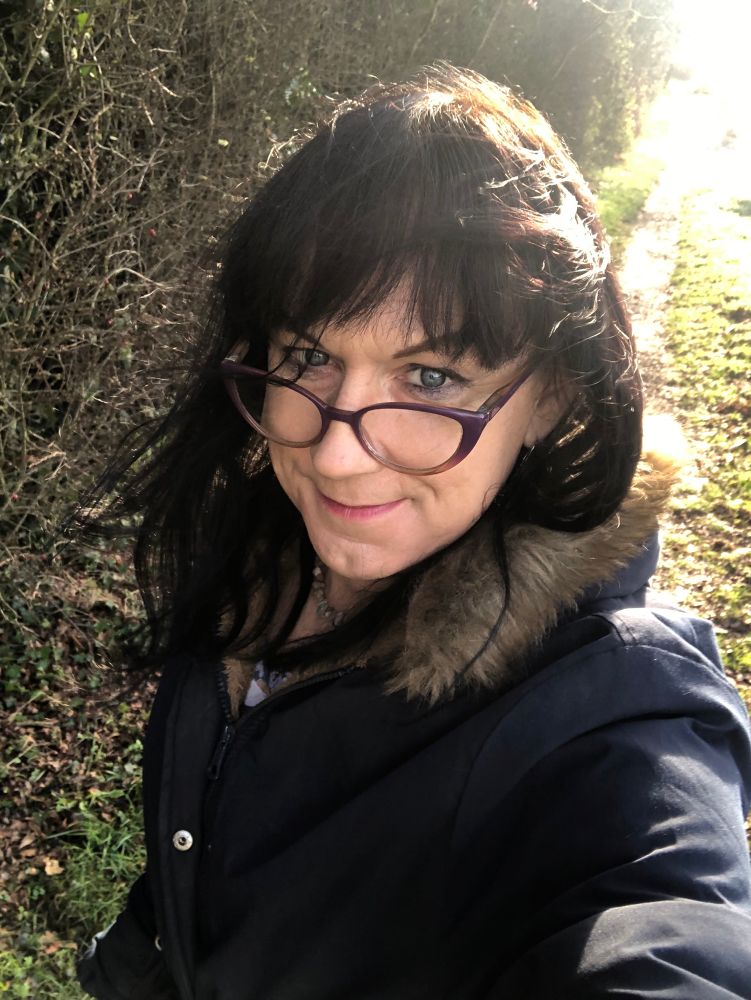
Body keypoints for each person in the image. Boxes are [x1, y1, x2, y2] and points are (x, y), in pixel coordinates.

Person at [76, 64, 751, 999]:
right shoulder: (260, 552)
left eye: (430, 377)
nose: (341, 454)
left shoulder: (616, 709)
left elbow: (667, 924)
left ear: (552, 394)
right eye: (309, 356)